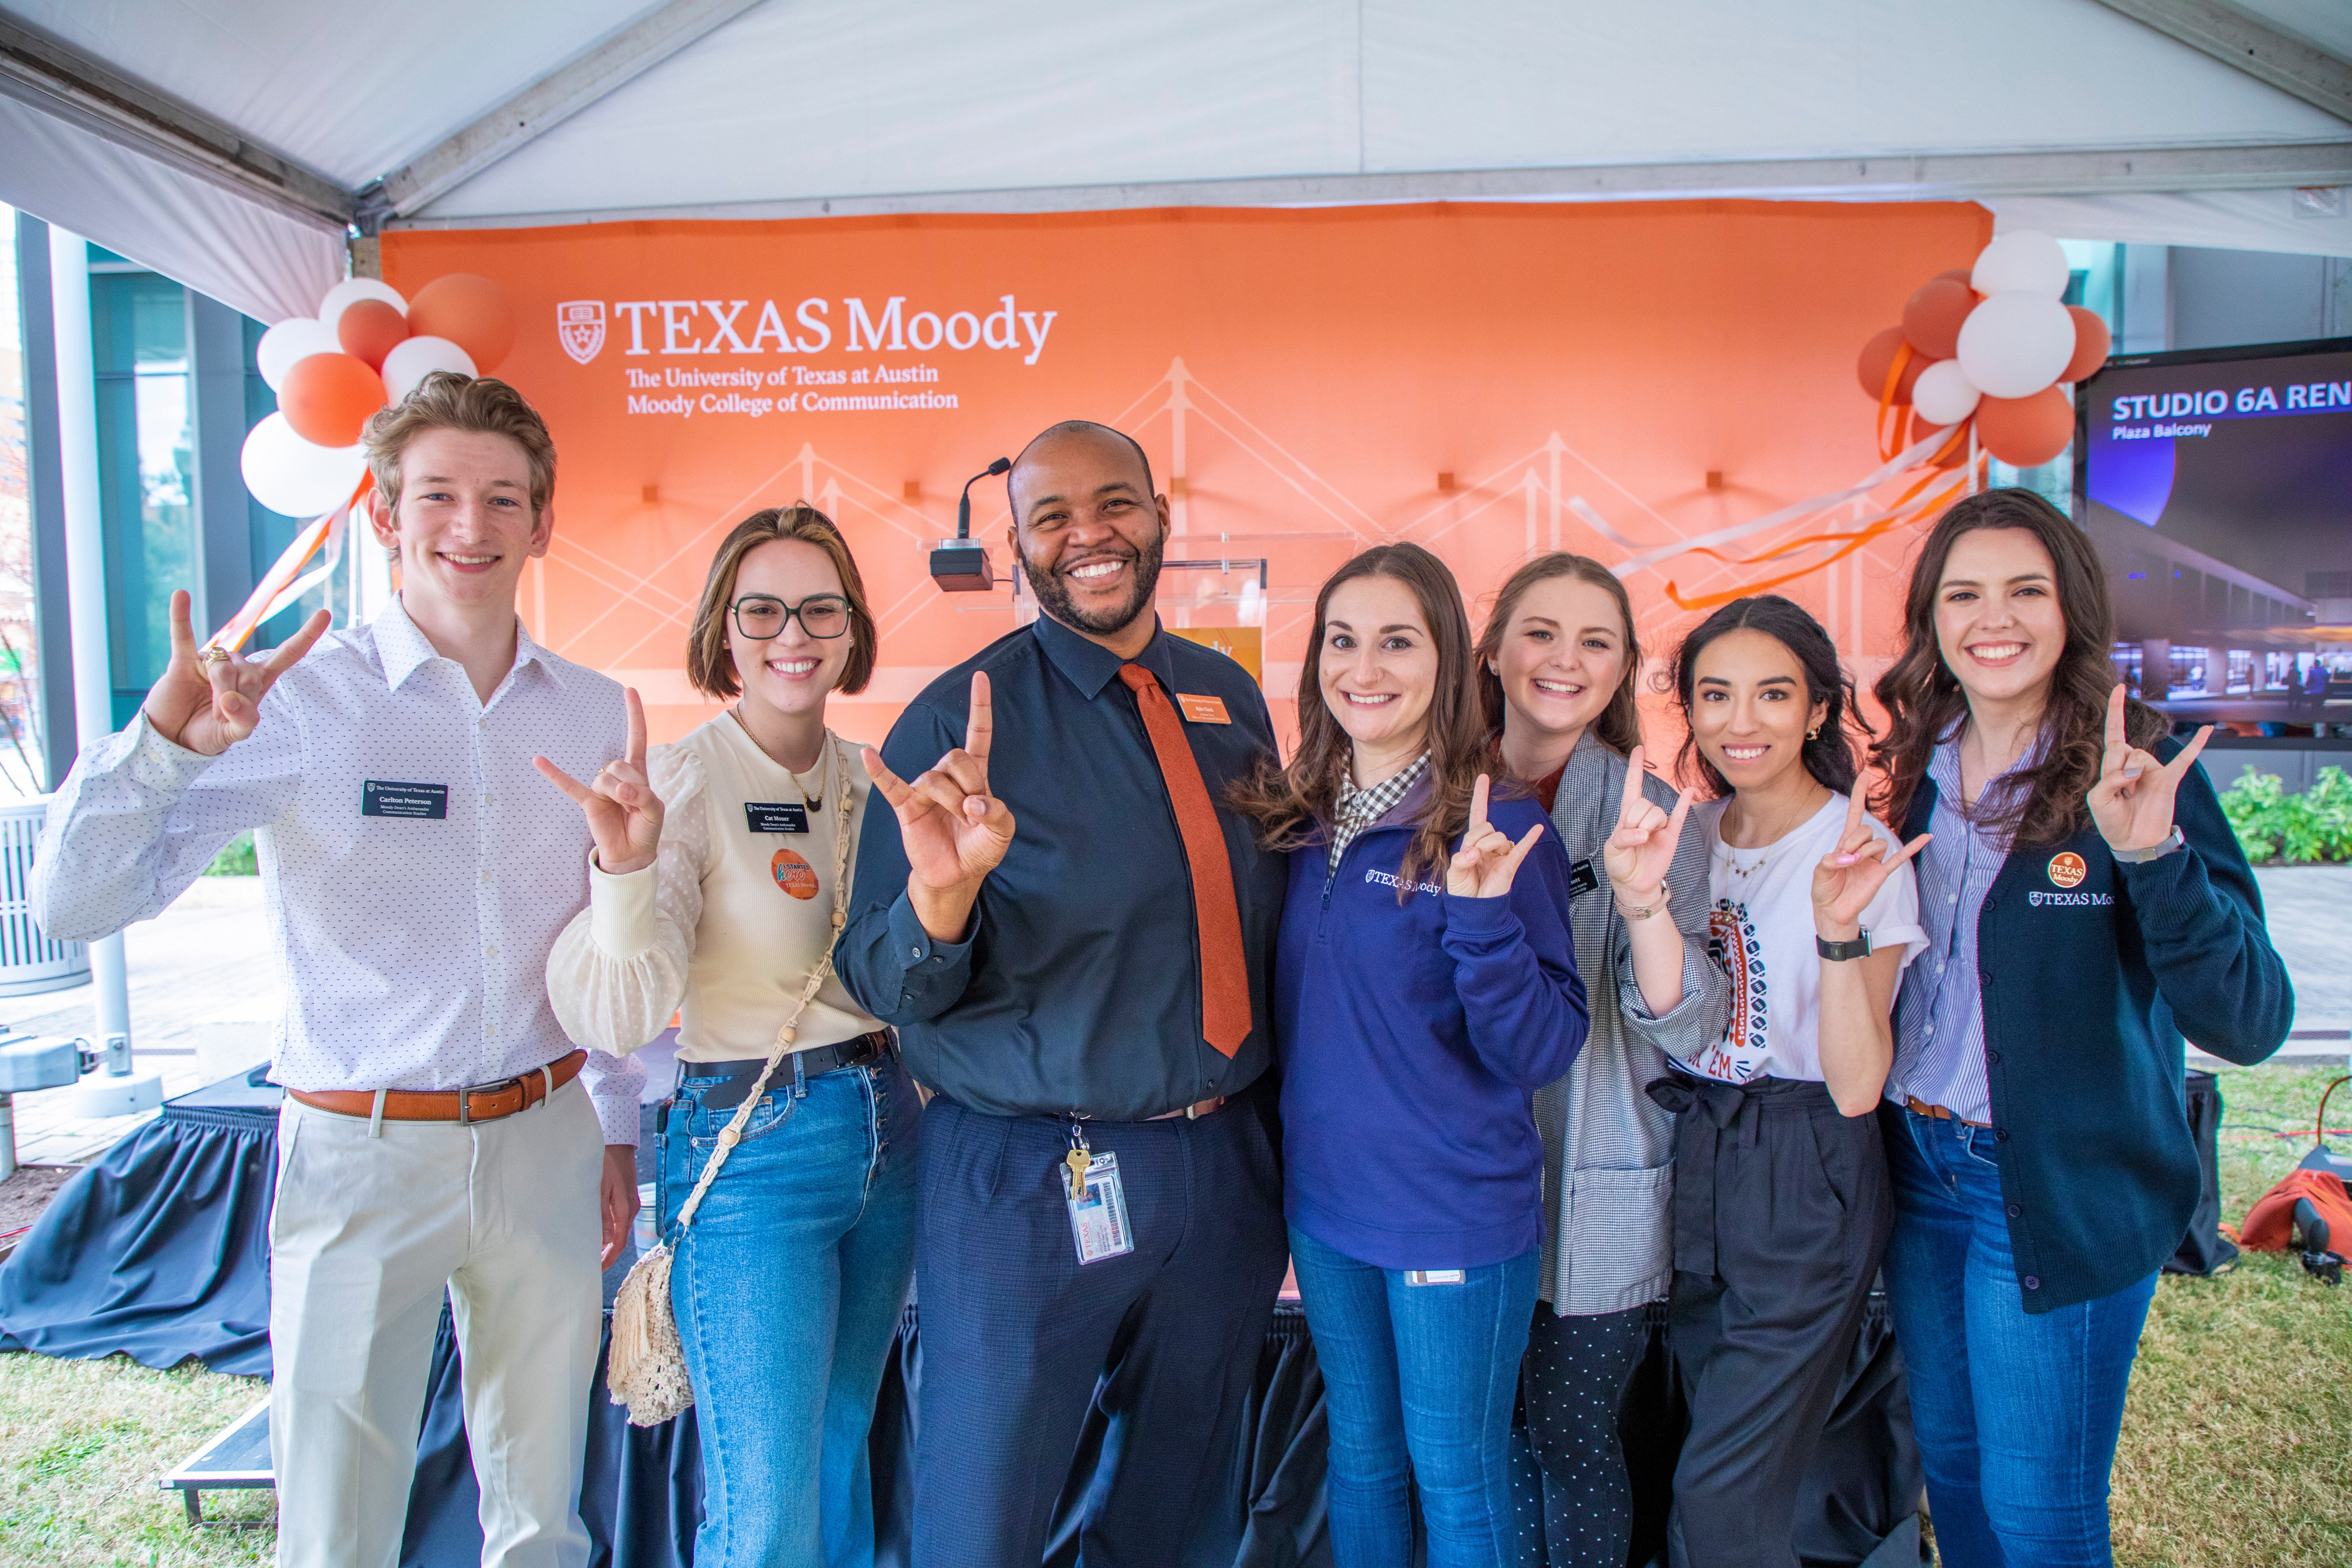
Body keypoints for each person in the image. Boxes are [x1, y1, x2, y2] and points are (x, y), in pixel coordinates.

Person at [32, 372, 643, 1568]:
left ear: (543, 521)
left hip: (547, 1137)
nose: (470, 527)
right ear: (383, 515)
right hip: (361, 1150)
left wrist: (613, 1130)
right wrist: (159, 746)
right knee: (337, 1518)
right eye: (439, 496)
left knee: (543, 1512)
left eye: (502, 499)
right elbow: (75, 900)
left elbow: (601, 940)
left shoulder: (595, 713)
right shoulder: (291, 703)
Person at [835, 420, 1289, 1568]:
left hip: (1223, 1166)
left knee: (1177, 1509)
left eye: (1115, 504)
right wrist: (943, 900)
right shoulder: (958, 720)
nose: (1090, 534)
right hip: (1031, 1179)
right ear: (1019, 545)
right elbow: (887, 980)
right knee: (983, 1518)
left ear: (1160, 516)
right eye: (1053, 517)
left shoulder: (1229, 697)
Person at [1869, 490, 2291, 1567]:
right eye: (1963, 594)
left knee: (2041, 1515)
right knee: (1952, 1482)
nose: (1992, 618)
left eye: (2025, 591)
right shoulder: (1922, 757)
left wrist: (2153, 859)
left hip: (2055, 1186)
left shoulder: (2132, 767)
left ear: (2072, 611)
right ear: (1932, 618)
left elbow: (2249, 1021)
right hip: (1920, 1171)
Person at [541, 504, 916, 1568]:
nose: (791, 633)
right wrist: (621, 873)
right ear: (723, 629)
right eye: (762, 609)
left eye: (818, 609)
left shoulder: (870, 780)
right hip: (756, 1146)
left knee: (841, 1459)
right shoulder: (685, 783)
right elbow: (617, 1014)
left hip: (888, 1131)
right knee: (766, 1511)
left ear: (851, 631)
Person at [1228, 542, 1589, 1567]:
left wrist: (1481, 924)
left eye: (1398, 641)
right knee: (1365, 1459)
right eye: (1344, 640)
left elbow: (1544, 1046)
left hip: (1454, 1213)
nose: (1366, 668)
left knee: (1457, 1473)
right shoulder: (1295, 822)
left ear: (1447, 660)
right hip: (1328, 1208)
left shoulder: (1501, 826)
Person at [1656, 594, 1927, 1568]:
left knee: (1719, 1490)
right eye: (1715, 695)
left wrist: (1839, 929)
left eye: (1773, 695)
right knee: (1720, 1469)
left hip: (1809, 1165)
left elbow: (1859, 1087)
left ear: (1818, 709)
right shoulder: (1690, 838)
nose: (1741, 721)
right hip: (1698, 1155)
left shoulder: (1860, 853)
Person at [1472, 554, 1730, 1568]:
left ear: (1625, 668)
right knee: (1474, 1451)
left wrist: (1639, 900)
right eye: (1541, 632)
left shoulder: (1653, 813)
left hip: (1595, 1185)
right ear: (1492, 650)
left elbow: (1689, 1024)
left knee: (1573, 1444)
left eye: (1597, 642)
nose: (1564, 661)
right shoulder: (1436, 792)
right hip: (1455, 1183)